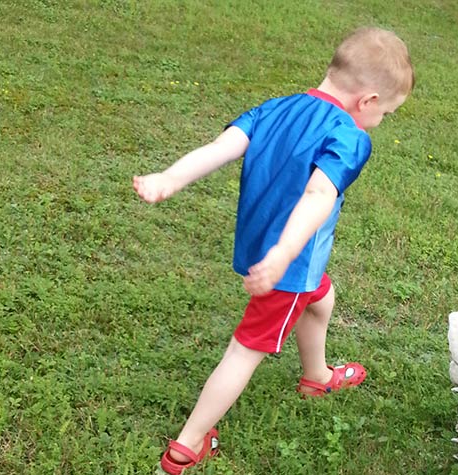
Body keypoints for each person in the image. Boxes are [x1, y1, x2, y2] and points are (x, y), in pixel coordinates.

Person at [132, 27, 414, 475]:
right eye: (388, 113)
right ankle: (188, 444)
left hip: (270, 252)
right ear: (368, 102)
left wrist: (171, 178)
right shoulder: (349, 134)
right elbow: (319, 196)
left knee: (321, 299)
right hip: (286, 266)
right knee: (246, 349)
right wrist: (285, 254)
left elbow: (220, 148)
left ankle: (316, 377)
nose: (382, 122)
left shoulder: (277, 108)